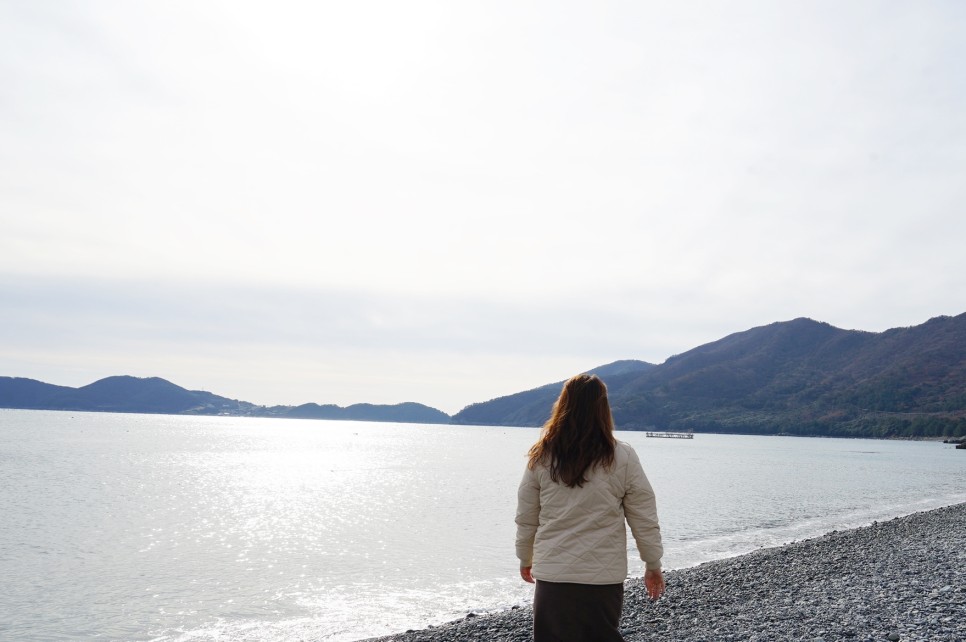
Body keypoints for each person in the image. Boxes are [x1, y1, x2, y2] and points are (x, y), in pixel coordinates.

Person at [515, 373, 665, 641]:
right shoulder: (622, 456)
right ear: (602, 408)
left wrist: (525, 557)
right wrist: (652, 563)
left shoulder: (541, 456)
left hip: (554, 577)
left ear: (562, 405)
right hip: (603, 581)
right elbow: (643, 516)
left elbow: (527, 517)